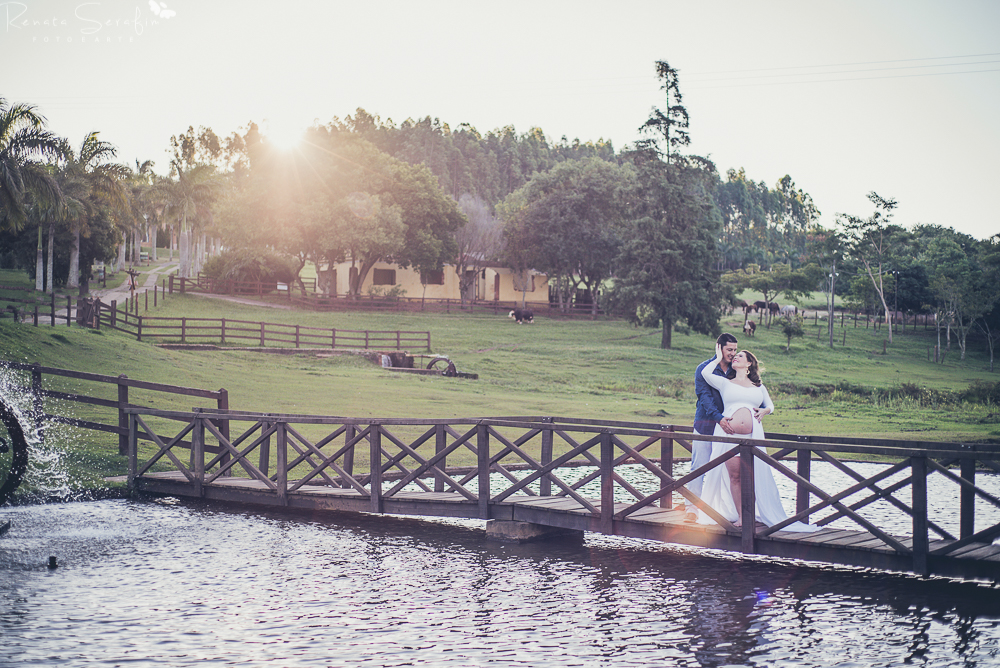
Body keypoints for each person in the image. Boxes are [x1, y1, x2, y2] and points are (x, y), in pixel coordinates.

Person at [697, 343, 818, 532]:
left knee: (752, 477)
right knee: (735, 477)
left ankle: (753, 513)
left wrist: (764, 411)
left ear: (749, 364)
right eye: (735, 356)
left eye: (740, 356)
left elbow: (770, 405)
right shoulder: (724, 383)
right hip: (729, 436)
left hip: (753, 438)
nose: (735, 357)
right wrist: (718, 355)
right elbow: (705, 373)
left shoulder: (759, 387)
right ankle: (742, 517)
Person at [681, 333, 739, 522]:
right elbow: (704, 397)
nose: (733, 353)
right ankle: (692, 509)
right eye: (729, 349)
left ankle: (723, 511)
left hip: (727, 428)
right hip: (705, 425)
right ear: (719, 348)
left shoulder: (735, 370)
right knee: (699, 467)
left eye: (735, 350)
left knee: (727, 470)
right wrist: (718, 418)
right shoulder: (703, 369)